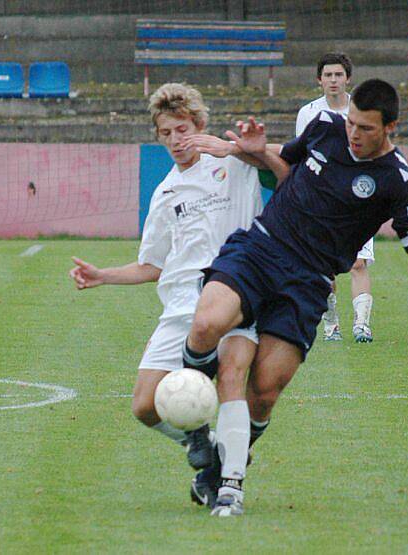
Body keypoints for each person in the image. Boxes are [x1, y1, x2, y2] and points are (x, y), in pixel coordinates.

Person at [183, 79, 408, 516]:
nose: (354, 134)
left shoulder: (397, 180)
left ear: (390, 127)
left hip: (308, 281)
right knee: (207, 323)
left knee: (265, 389)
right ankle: (197, 426)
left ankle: (222, 472)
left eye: (365, 127)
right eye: (351, 123)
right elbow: (284, 170)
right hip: (262, 247)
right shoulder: (325, 127)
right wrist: (255, 150)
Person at [68, 83, 267, 510]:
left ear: (199, 125)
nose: (175, 141)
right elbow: (153, 265)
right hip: (180, 308)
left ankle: (229, 488)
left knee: (233, 377)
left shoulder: (235, 165)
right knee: (144, 406)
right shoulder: (165, 193)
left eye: (182, 129)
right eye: (165, 134)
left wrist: (234, 150)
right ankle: (208, 446)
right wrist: (103, 275)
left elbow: (276, 161)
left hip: (234, 295)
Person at [295, 52, 375, 343]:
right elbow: (302, 156)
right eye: (327, 75)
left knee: (358, 262)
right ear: (319, 79)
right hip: (322, 201)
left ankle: (362, 325)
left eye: (338, 75)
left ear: (348, 78)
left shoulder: (363, 109)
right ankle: (331, 325)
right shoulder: (308, 113)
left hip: (358, 200)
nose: (333, 80)